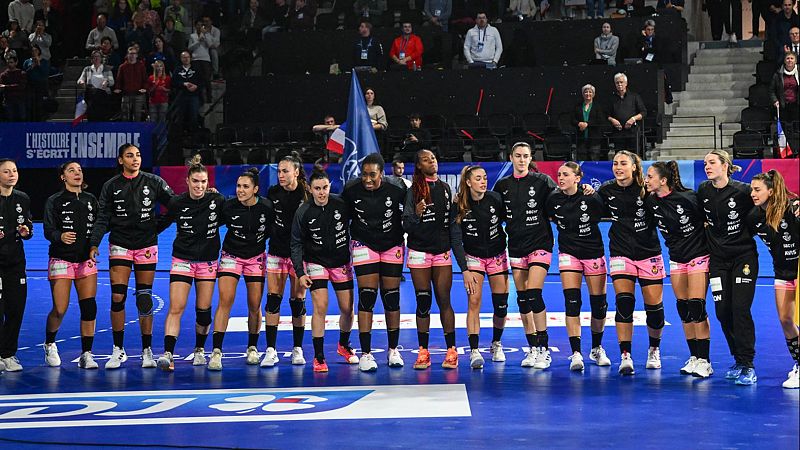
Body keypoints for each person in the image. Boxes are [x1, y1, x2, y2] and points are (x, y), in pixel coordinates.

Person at [89, 143, 175, 370]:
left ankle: (147, 350)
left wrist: (158, 227)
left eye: (138, 155)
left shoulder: (154, 182)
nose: (135, 159)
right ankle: (118, 349)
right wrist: (94, 243)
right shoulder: (111, 186)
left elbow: (175, 205)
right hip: (120, 245)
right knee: (118, 297)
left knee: (144, 297)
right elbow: (102, 217)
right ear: (120, 160)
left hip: (147, 245)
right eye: (129, 156)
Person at [598, 151, 665, 375]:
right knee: (624, 303)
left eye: (623, 164)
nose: (618, 167)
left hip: (649, 253)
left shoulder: (647, 190)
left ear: (634, 167)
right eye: (615, 163)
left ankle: (654, 350)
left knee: (654, 309)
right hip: (620, 252)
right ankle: (625, 355)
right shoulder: (606, 190)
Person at [645, 161, 714, 378]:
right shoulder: (650, 201)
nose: (646, 180)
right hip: (676, 259)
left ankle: (705, 361)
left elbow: (709, 221)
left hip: (698, 256)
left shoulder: (688, 198)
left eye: (650, 176)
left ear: (663, 180)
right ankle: (694, 357)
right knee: (684, 309)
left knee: (696, 306)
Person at [156, 158, 225, 372]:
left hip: (207, 261)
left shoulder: (218, 201)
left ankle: (199, 350)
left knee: (203, 311)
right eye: (195, 181)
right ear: (187, 181)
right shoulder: (177, 202)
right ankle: (168, 354)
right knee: (176, 307)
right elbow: (161, 224)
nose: (199, 186)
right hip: (182, 260)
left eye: (203, 181)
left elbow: (233, 216)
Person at [697, 149, 759, 385]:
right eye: (705, 164)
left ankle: (748, 364)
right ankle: (738, 359)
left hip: (743, 258)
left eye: (712, 162)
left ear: (725, 165)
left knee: (740, 309)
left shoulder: (742, 191)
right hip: (718, 260)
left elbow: (768, 201)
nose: (707, 166)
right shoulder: (703, 190)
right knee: (723, 312)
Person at [403, 149, 469, 369]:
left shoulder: (445, 189)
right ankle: (423, 351)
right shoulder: (413, 191)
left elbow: (452, 226)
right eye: (426, 159)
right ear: (419, 166)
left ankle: (451, 350)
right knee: (423, 301)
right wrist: (416, 214)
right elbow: (406, 225)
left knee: (444, 300)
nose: (432, 161)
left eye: (433, 157)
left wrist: (463, 264)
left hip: (441, 253)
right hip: (419, 253)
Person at [342, 153, 408, 371]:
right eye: (364, 174)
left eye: (372, 175)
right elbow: (341, 218)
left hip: (392, 244)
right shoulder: (351, 190)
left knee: (391, 298)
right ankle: (366, 354)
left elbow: (410, 214)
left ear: (382, 173)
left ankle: (393, 350)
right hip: (364, 244)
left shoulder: (398, 188)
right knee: (367, 297)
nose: (367, 179)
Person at [291, 167, 357, 373]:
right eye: (317, 188)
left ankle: (343, 345)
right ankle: (319, 357)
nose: (321, 192)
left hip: (341, 262)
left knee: (347, 309)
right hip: (315, 262)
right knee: (321, 307)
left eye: (325, 187)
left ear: (330, 187)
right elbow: (296, 243)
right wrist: (300, 273)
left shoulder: (341, 204)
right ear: (310, 189)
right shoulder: (303, 211)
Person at [545, 161, 610, 371]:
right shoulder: (553, 198)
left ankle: (597, 348)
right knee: (572, 303)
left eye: (565, 174)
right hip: (568, 254)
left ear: (578, 178)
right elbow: (549, 217)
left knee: (599, 305)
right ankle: (576, 353)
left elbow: (602, 215)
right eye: (559, 174)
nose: (561, 178)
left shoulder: (592, 198)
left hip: (593, 253)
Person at [493, 143, 553, 368]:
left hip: (540, 244)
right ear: (511, 157)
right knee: (523, 299)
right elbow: (493, 215)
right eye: (517, 156)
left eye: (525, 156)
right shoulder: (502, 185)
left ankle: (544, 349)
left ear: (530, 158)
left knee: (534, 293)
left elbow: (563, 198)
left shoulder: (542, 181)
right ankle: (533, 348)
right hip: (516, 246)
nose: (521, 160)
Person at [208, 168, 274, 370]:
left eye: (246, 186)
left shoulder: (266, 207)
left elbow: (271, 230)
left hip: (255, 258)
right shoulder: (227, 206)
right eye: (238, 186)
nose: (240, 190)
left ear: (256, 189)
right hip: (231, 256)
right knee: (225, 301)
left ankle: (252, 348)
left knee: (255, 305)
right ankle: (216, 352)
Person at [42, 162, 100, 369]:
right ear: (62, 177)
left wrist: (94, 245)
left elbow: (98, 227)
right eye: (71, 171)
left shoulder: (91, 200)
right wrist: (60, 236)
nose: (77, 173)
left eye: (80, 170)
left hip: (86, 261)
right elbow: (48, 230)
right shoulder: (54, 201)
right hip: (61, 259)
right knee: (60, 308)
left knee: (89, 307)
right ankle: (49, 343)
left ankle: (87, 354)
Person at [748, 170, 799, 389]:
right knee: (786, 320)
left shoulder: (793, 208)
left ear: (771, 190)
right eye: (751, 189)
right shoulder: (755, 217)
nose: (752, 193)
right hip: (782, 273)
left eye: (757, 190)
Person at [454, 165, 509, 369]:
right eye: (478, 178)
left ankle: (496, 343)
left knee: (501, 306)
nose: (483, 181)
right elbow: (456, 240)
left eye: (485, 177)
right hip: (473, 257)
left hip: (497, 255)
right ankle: (475, 350)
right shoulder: (459, 204)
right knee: (474, 301)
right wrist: (465, 270)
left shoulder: (495, 199)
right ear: (468, 182)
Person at [262, 152, 309, 367]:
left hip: (300, 256)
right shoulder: (272, 193)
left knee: (297, 302)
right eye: (279, 171)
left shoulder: (307, 194)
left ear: (296, 172)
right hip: (276, 252)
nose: (280, 175)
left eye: (285, 171)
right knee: (273, 299)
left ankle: (297, 349)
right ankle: (270, 350)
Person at [0, 159, 33, 372]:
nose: (12, 174)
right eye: (6, 171)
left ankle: (8, 354)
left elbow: (28, 225)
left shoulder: (22, 198)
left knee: (16, 309)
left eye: (14, 170)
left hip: (15, 263)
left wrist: (26, 231)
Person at [607, 72, 646, 155]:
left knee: (633, 156)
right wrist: (612, 120)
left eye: (621, 82)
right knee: (620, 156)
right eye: (617, 83)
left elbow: (643, 112)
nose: (619, 84)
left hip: (632, 132)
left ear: (626, 83)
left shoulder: (634, 96)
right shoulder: (611, 99)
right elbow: (606, 114)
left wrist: (633, 119)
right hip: (618, 133)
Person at [770, 51, 799, 152]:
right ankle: (788, 151)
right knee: (786, 130)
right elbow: (772, 90)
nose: (790, 60)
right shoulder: (778, 74)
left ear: (795, 60)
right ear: (784, 60)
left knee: (797, 129)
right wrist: (775, 100)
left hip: (797, 106)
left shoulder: (799, 72)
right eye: (788, 58)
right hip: (783, 106)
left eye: (792, 58)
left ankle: (797, 150)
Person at [77, 50, 115, 122]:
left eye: (98, 56)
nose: (96, 58)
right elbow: (80, 80)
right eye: (94, 57)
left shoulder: (107, 69)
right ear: (91, 59)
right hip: (91, 96)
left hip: (103, 95)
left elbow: (112, 81)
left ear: (101, 58)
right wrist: (81, 82)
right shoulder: (87, 69)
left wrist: (106, 82)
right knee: (91, 115)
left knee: (102, 116)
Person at [573, 84, 606, 161]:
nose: (588, 94)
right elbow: (572, 120)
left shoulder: (598, 106)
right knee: (581, 161)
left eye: (590, 92)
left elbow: (600, 120)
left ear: (593, 94)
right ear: (583, 94)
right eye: (586, 92)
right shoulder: (577, 106)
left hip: (594, 140)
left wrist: (587, 124)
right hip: (581, 139)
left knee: (594, 160)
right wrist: (579, 124)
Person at [115, 46, 148, 121]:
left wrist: (145, 88)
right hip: (126, 94)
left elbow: (145, 80)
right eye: (130, 54)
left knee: (137, 115)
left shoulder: (141, 66)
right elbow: (119, 80)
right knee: (125, 115)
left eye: (134, 53)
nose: (132, 55)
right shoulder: (122, 67)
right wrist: (118, 88)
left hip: (138, 94)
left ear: (137, 55)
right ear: (127, 55)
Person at [172, 51, 203, 129]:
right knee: (180, 117)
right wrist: (183, 84)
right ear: (181, 59)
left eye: (187, 57)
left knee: (194, 116)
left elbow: (202, 81)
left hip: (194, 96)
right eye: (184, 57)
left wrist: (196, 86)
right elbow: (173, 82)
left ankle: (194, 136)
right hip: (181, 96)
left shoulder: (196, 69)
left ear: (190, 58)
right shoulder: (178, 70)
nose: (186, 59)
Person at [188, 19, 214, 103]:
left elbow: (210, 45)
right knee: (197, 79)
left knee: (207, 79)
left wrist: (205, 35)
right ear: (195, 26)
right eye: (198, 25)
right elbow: (190, 48)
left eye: (201, 25)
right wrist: (198, 41)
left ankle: (209, 98)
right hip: (196, 59)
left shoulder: (207, 34)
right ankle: (199, 98)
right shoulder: (192, 36)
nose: (200, 27)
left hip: (205, 59)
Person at [22, 44, 48, 121]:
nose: (34, 52)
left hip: (40, 85)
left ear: (39, 51)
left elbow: (45, 73)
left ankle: (39, 121)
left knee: (39, 104)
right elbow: (24, 73)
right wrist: (31, 67)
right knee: (30, 104)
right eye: (33, 50)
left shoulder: (44, 61)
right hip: (30, 85)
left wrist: (39, 64)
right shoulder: (27, 61)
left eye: (36, 50)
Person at [0, 52, 28, 121]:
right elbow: (1, 87)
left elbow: (21, 86)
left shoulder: (22, 73)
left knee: (21, 119)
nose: (9, 64)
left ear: (16, 63)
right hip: (8, 100)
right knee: (10, 119)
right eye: (8, 62)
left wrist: (6, 87)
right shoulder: (4, 75)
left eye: (11, 62)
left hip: (19, 99)